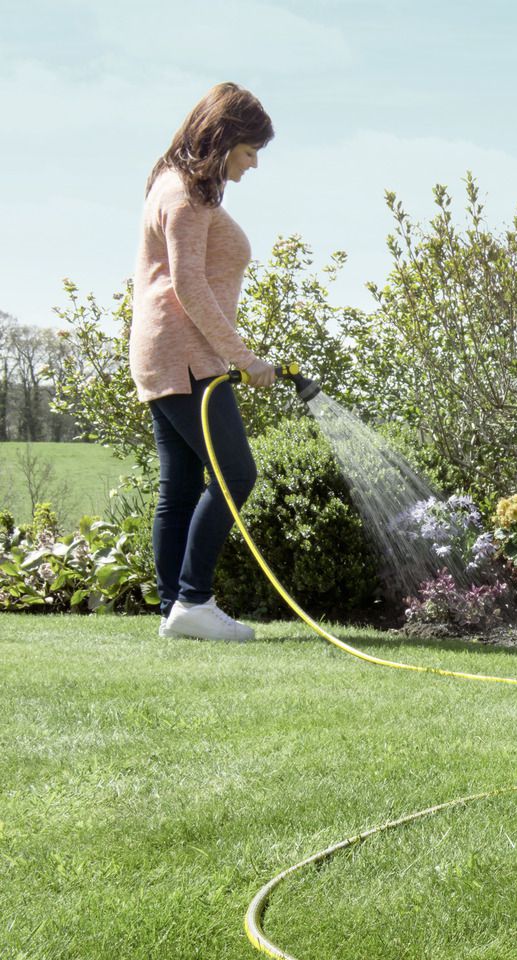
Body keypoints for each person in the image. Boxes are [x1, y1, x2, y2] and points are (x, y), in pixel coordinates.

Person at [130, 83, 276, 642]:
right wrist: (243, 358)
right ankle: (192, 599)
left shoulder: (168, 184)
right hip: (187, 353)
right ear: (223, 139)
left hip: (161, 351)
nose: (253, 164)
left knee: (182, 483)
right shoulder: (188, 194)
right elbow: (188, 285)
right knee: (237, 474)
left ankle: (175, 610)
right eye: (248, 151)